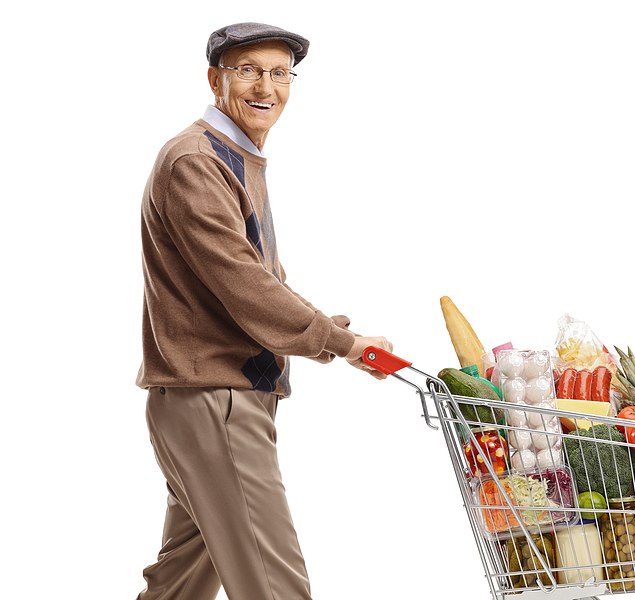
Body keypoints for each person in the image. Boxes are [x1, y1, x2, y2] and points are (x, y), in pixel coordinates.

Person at [134, 22, 393, 600]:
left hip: (209, 401)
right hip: (217, 402)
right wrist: (338, 343)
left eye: (280, 74)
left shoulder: (236, 157)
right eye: (249, 70)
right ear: (215, 79)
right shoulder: (196, 162)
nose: (266, 87)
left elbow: (264, 279)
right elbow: (243, 283)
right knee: (277, 589)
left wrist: (333, 337)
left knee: (179, 586)